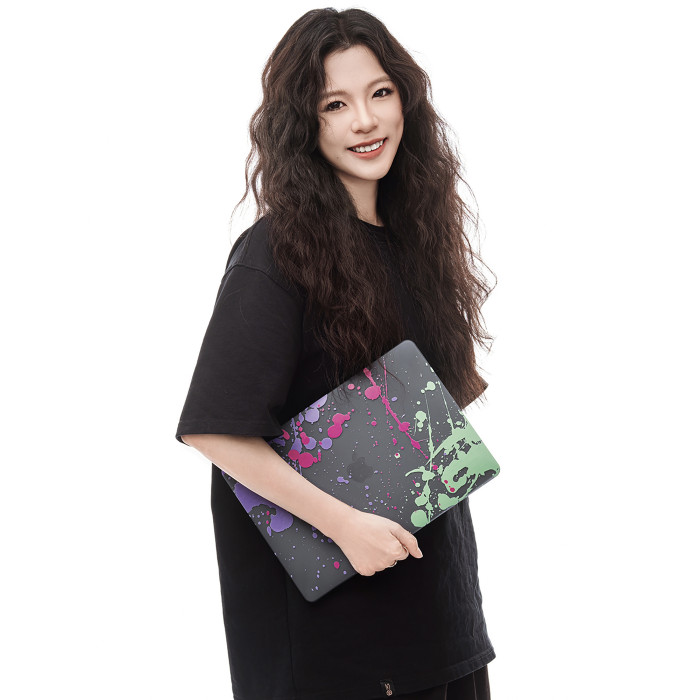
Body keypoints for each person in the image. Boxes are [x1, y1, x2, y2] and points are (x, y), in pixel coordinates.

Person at [176, 7, 496, 699]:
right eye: (335, 104)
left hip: (436, 611)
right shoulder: (276, 252)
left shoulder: (417, 239)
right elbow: (215, 428)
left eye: (380, 92)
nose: (365, 121)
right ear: (304, 122)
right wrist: (345, 525)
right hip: (334, 639)